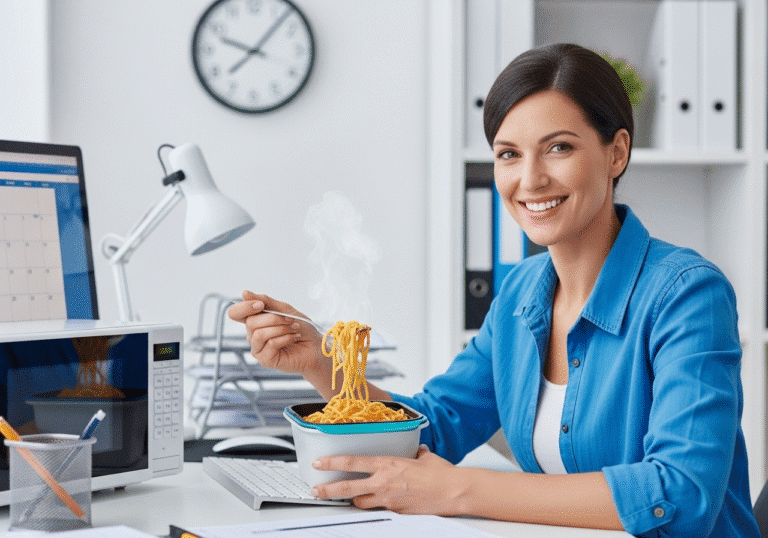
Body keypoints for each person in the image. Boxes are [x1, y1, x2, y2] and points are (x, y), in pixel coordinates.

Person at [228, 43, 760, 537]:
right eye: (508, 154)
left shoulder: (687, 295)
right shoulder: (522, 294)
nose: (529, 180)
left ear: (616, 152)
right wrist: (322, 362)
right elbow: (432, 428)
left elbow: (681, 494)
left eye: (558, 148)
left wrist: (457, 490)